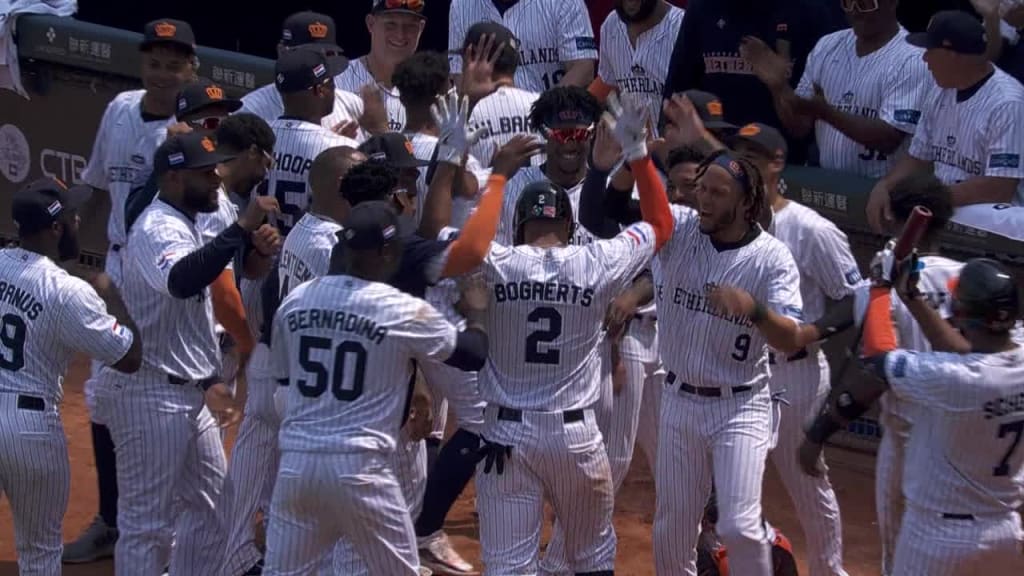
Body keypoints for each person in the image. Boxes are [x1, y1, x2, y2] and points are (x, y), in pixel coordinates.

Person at [473, 96, 674, 575]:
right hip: (576, 438)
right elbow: (662, 225)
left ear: (518, 227)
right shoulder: (597, 260)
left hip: (506, 432)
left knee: (507, 567)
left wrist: (496, 175)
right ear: (569, 225)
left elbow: (453, 238)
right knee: (590, 560)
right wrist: (639, 154)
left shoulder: (496, 262)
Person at [263, 201, 490, 576]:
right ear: (385, 252)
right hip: (361, 470)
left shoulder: (296, 301)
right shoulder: (396, 308)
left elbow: (286, 384)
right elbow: (472, 355)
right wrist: (477, 312)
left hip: (297, 467)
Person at [90, 132, 279, 575]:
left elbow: (188, 312)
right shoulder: (158, 227)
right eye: (205, 171)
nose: (217, 177)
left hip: (185, 394)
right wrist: (240, 229)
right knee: (147, 526)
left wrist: (209, 376)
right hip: (148, 397)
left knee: (218, 507)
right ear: (173, 178)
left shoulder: (186, 220)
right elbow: (182, 280)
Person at [64, 17, 198, 565]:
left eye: (174, 63)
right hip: (119, 270)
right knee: (104, 396)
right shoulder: (120, 108)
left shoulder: (199, 128)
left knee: (174, 400)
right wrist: (61, 224)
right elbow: (94, 184)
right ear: (142, 63)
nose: (163, 72)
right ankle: (113, 521)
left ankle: (172, 532)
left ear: (193, 68)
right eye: (154, 62)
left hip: (169, 274)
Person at [650, 104, 805, 572]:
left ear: (744, 203)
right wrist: (639, 156)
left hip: (741, 405)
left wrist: (754, 309)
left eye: (718, 193)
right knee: (672, 525)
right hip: (678, 401)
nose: (705, 201)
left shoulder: (772, 259)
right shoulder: (680, 232)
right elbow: (650, 204)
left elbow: (792, 338)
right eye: (701, 190)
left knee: (737, 524)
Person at [800, 254, 1024, 575]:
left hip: (937, 539)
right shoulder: (1005, 362)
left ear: (960, 313)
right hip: (1004, 534)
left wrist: (879, 291)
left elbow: (879, 361)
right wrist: (912, 299)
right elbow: (966, 353)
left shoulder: (950, 379)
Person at [731, 123, 855, 576]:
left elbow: (853, 297)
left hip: (793, 374)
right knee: (727, 484)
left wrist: (811, 331)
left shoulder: (810, 229)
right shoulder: (726, 222)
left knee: (806, 480)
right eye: (738, 151)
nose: (744, 160)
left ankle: (829, 570)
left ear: (776, 162)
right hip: (737, 374)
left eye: (754, 153)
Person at [0, 178, 141, 575]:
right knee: (40, 553)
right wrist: (110, 292)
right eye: (72, 216)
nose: (79, 220)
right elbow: (129, 357)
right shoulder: (67, 292)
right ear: (56, 229)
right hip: (30, 428)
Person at [866, 10, 1024, 232]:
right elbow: (918, 158)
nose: (924, 58)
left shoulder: (1008, 103)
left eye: (930, 51)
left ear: (952, 54)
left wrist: (925, 199)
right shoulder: (940, 91)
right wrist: (886, 185)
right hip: (947, 218)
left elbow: (998, 188)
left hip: (999, 237)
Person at [745, 0, 931, 178]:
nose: (855, 11)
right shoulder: (827, 46)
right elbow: (799, 128)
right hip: (832, 187)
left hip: (884, 191)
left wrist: (826, 113)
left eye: (866, 4)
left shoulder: (912, 58)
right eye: (848, 3)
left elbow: (889, 139)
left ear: (891, 2)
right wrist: (779, 87)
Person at [661, 0, 844, 163]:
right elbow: (674, 98)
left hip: (782, 169)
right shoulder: (703, 7)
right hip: (709, 165)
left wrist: (779, 86)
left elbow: (805, 129)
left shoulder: (809, 11)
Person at [494, 86, 608, 246]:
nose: (570, 143)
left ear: (593, 133)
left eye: (579, 134)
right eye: (561, 135)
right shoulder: (511, 187)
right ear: (544, 132)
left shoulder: (610, 191)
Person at [265, 48, 359, 235]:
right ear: (320, 90)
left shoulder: (257, 138)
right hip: (313, 253)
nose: (335, 88)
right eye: (332, 82)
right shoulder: (344, 153)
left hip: (263, 253)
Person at [392, 51, 490, 228]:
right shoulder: (457, 160)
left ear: (402, 98)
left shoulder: (383, 151)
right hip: (443, 253)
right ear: (445, 97)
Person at [238, 11, 368, 137]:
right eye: (310, 55)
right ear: (282, 52)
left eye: (328, 54)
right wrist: (328, 147)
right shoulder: (250, 111)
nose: (320, 62)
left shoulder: (352, 103)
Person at [448, 0, 599, 92]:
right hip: (489, 125)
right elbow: (458, 77)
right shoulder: (460, 6)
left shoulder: (563, 2)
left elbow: (583, 68)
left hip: (552, 126)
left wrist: (536, 113)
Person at [590, 0, 685, 137]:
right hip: (631, 151)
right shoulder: (611, 26)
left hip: (678, 152)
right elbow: (608, 84)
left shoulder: (682, 28)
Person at [335, 0, 429, 132]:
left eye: (410, 26)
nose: (400, 35)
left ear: (421, 28)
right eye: (390, 24)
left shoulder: (429, 89)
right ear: (370, 24)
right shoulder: (338, 81)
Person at [458, 21, 543, 167]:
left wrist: (465, 102)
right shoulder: (543, 105)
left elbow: (436, 175)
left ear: (471, 59)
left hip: (484, 188)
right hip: (542, 190)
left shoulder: (462, 112)